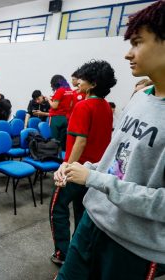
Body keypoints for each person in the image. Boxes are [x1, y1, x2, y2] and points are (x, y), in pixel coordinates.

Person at [56, 1, 165, 279]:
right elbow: (115, 162)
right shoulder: (139, 98)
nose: (128, 54)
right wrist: (85, 169)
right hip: (93, 221)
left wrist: (93, 178)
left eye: (138, 42)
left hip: (133, 246)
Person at [49, 60, 116, 266]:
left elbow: (80, 140)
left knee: (57, 208)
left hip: (76, 169)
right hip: (92, 173)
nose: (77, 82)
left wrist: (67, 167)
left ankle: (62, 253)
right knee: (80, 210)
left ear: (93, 83)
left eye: (82, 79)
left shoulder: (84, 105)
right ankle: (78, 251)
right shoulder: (106, 107)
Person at [47, 75, 73, 150]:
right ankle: (62, 158)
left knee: (54, 139)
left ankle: (53, 157)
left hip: (56, 118)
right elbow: (70, 104)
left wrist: (49, 100)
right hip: (65, 118)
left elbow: (54, 106)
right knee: (63, 140)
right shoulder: (69, 90)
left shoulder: (60, 91)